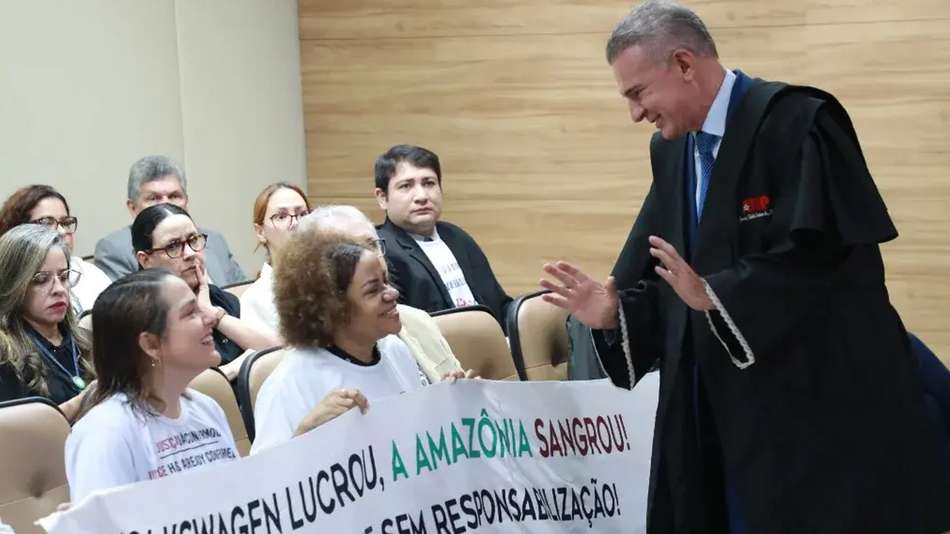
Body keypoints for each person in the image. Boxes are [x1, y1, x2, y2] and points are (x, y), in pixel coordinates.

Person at [539, 2, 950, 533]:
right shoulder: (671, 153)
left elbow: (828, 265)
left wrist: (720, 294)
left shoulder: (801, 123)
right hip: (719, 418)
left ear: (684, 64)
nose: (636, 114)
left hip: (819, 413)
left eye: (638, 93)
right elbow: (669, 277)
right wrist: (616, 312)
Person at [251, 225, 472, 454]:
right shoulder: (288, 384)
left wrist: (447, 404)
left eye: (386, 282)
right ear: (333, 309)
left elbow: (413, 444)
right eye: (373, 290)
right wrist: (306, 434)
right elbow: (265, 475)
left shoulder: (396, 350)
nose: (393, 293)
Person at [65, 269, 240, 501]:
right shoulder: (104, 433)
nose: (210, 318)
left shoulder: (207, 408)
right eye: (191, 313)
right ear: (151, 344)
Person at [301, 205, 464, 383]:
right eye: (353, 250)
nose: (370, 258)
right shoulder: (301, 372)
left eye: (372, 245)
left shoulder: (417, 321)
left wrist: (459, 392)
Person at [374, 144, 513, 330]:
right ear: (382, 198)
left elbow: (500, 306)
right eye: (406, 186)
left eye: (429, 183)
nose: (422, 196)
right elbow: (400, 331)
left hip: (493, 341)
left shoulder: (455, 236)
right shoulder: (381, 252)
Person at [132, 204, 278, 373]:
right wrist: (231, 370)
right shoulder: (137, 318)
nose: (190, 253)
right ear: (146, 260)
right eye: (173, 246)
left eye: (193, 240)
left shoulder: (222, 300)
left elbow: (278, 354)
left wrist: (213, 314)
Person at [94, 155, 246, 284]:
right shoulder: (114, 250)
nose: (166, 204)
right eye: (153, 198)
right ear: (132, 207)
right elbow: (131, 305)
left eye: (174, 196)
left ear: (186, 201)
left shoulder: (214, 240)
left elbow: (241, 293)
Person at [0, 225, 93, 421]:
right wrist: (82, 402)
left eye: (64, 276)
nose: (59, 289)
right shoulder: (5, 356)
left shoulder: (88, 340)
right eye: (41, 279)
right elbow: (15, 432)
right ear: (13, 284)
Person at [0, 185, 111, 313]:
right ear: (17, 232)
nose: (61, 231)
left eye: (66, 223)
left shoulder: (91, 274)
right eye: (46, 222)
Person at [239, 182, 311, 336]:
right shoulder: (256, 299)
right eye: (281, 217)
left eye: (303, 214)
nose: (295, 223)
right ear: (260, 232)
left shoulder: (331, 278)